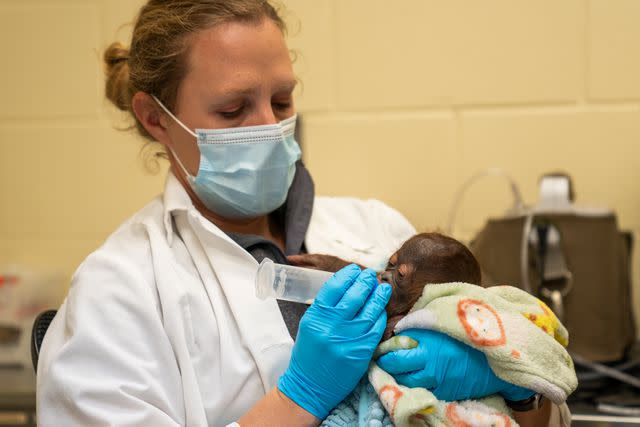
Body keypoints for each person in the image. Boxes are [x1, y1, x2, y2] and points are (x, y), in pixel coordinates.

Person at [36, 1, 557, 426]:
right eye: (233, 109)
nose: (269, 126)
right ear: (155, 118)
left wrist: (509, 383)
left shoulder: (377, 229)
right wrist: (299, 398)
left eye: (281, 101)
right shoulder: (120, 289)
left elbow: (542, 412)